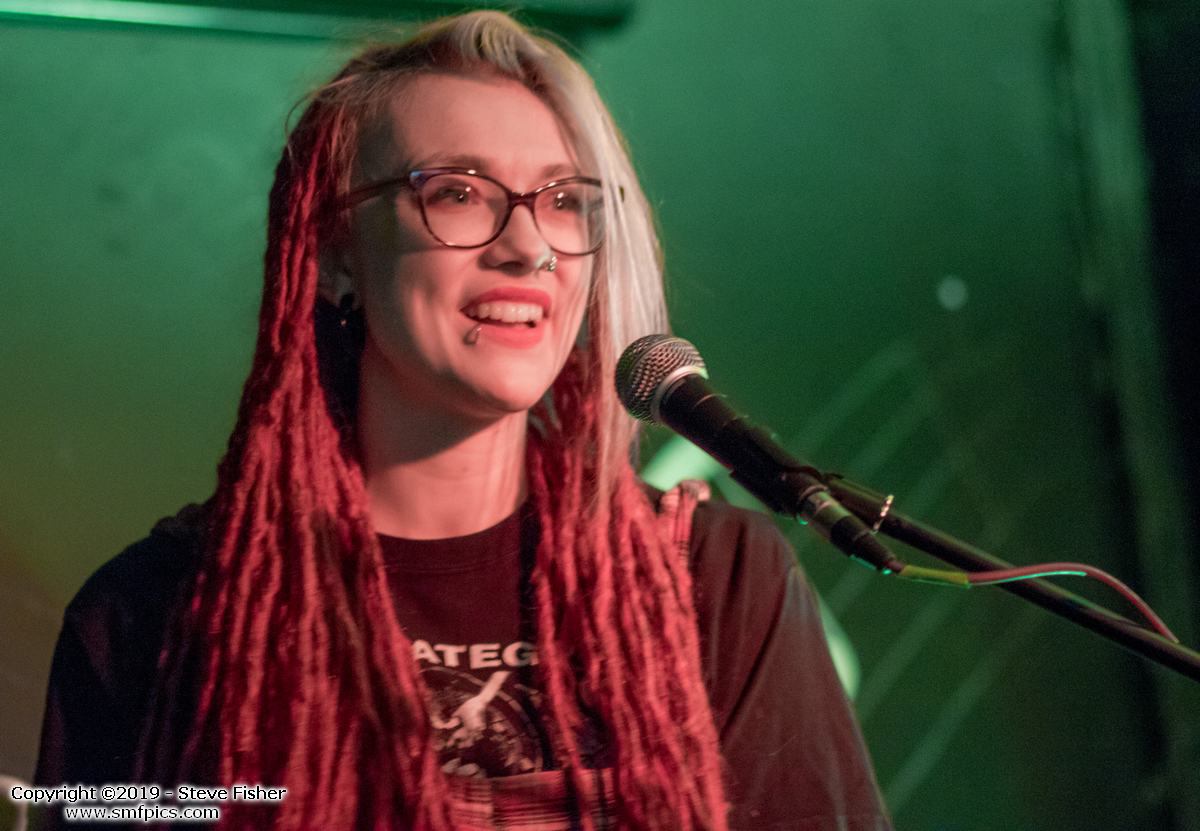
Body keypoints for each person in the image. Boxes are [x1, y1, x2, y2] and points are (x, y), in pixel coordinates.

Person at [33, 11, 891, 830]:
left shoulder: (716, 580)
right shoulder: (149, 611)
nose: (530, 247)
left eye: (564, 200)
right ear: (336, 250)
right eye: (458, 192)